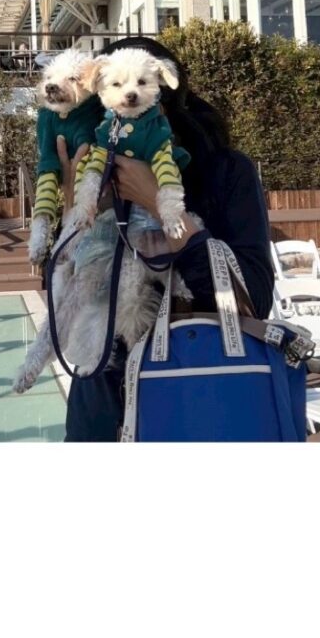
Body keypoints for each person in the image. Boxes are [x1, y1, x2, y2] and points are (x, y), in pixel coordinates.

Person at [56, 35, 274, 442]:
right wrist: (77, 206)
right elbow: (65, 297)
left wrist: (156, 202)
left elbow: (255, 298)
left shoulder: (225, 172)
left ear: (157, 99)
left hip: (193, 397)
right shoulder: (95, 169)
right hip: (98, 407)